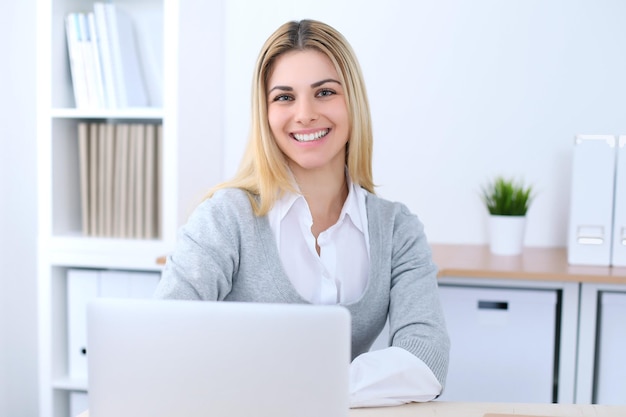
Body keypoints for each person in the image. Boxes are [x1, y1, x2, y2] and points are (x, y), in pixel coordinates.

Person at [154, 19, 450, 408]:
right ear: (266, 112)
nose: (305, 114)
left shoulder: (397, 230)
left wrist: (299, 388)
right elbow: (163, 338)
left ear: (353, 101)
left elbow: (425, 361)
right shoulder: (226, 218)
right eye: (284, 97)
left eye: (324, 92)